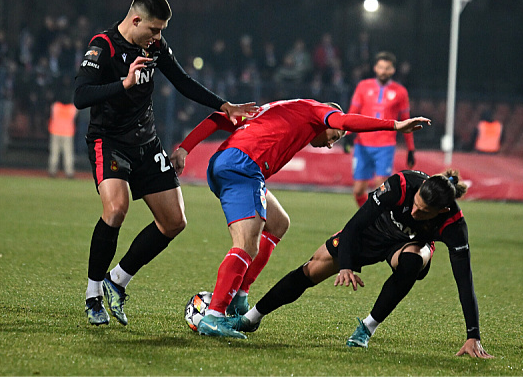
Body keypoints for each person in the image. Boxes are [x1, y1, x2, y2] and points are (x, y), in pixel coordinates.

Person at [170, 98, 431, 339]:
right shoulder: (316, 110)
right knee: (246, 244)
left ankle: (240, 295)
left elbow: (220, 118)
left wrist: (184, 148)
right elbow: (345, 119)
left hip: (229, 164)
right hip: (243, 166)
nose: (331, 143)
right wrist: (394, 125)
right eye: (334, 136)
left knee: (278, 222)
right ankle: (214, 315)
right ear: (327, 119)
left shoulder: (278, 109)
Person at [73, 0, 256, 326]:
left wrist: (224, 105)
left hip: (146, 141)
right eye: (154, 30)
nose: (158, 37)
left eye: (162, 31)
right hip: (109, 141)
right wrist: (124, 83)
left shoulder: (154, 47)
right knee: (116, 209)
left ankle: (117, 281)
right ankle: (92, 294)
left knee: (174, 222)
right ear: (135, 19)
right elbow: (80, 96)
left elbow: (183, 81)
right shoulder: (103, 46)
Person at [229, 169, 493, 358]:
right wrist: (346, 265)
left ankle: (366, 329)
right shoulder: (400, 185)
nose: (415, 212)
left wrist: (473, 335)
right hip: (370, 233)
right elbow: (356, 224)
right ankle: (251, 318)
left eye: (423, 212)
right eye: (415, 205)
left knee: (413, 260)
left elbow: (464, 279)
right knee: (312, 270)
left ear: (443, 211)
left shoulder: (454, 226)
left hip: (404, 246)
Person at [348, 51, 415, 207]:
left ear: (392, 70)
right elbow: (352, 112)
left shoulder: (400, 92)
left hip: (385, 145)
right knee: (358, 190)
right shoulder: (363, 87)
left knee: (381, 189)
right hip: (362, 144)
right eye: (380, 67)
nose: (383, 71)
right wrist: (348, 134)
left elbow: (406, 121)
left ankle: (378, 222)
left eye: (387, 68)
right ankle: (370, 218)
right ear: (375, 68)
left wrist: (411, 148)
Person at [48, 79, 77, 178]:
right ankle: (69, 172)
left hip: (55, 131)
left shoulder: (55, 106)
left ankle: (52, 171)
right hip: (68, 133)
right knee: (68, 154)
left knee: (54, 153)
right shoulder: (72, 108)